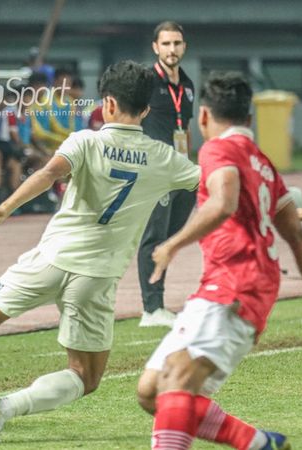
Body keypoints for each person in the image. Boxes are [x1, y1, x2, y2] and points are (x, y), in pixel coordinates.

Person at [0, 61, 201, 443]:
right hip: (96, 276)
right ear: (147, 109)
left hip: (50, 257)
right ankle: (6, 407)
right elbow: (219, 183)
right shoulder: (165, 159)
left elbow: (48, 173)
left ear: (108, 105)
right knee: (86, 376)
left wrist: (3, 208)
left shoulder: (86, 140)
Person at [136, 72, 302, 450]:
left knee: (173, 383)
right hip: (233, 284)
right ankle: (259, 444)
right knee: (150, 392)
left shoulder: (215, 150)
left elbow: (223, 202)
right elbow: (297, 236)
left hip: (236, 285)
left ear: (203, 115)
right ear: (250, 120)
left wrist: (173, 243)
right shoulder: (264, 164)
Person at [136, 21, 198, 328]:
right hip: (155, 171)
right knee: (154, 237)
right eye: (166, 44)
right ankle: (152, 308)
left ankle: (156, 303)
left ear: (183, 47)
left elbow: (184, 128)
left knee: (170, 239)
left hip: (182, 172)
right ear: (155, 48)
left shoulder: (187, 85)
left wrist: (189, 163)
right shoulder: (146, 81)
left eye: (177, 43)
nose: (171, 49)